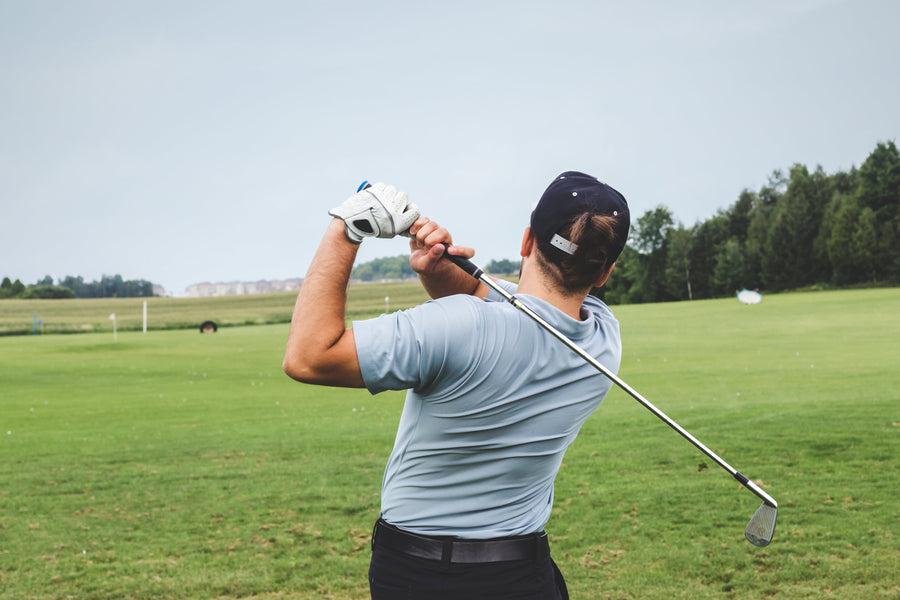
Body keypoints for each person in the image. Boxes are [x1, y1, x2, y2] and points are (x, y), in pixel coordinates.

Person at [283, 172, 630, 599]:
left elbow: (309, 356)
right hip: (525, 576)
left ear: (526, 242)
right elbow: (507, 306)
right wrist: (440, 271)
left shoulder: (457, 325)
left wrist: (347, 228)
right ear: (604, 273)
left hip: (421, 576)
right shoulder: (603, 339)